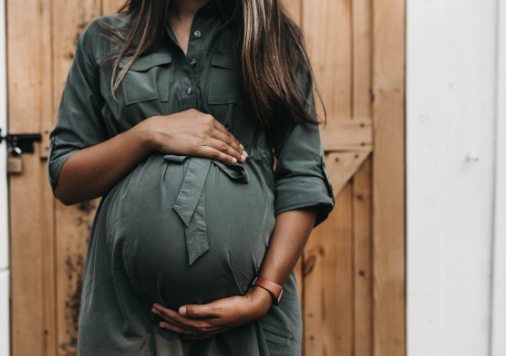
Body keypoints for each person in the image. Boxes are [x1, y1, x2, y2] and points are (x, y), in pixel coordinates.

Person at [47, 0, 335, 354]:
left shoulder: (272, 38)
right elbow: (66, 180)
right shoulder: (104, 40)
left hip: (250, 322)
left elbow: (303, 177)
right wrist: (147, 134)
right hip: (130, 320)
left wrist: (262, 295)